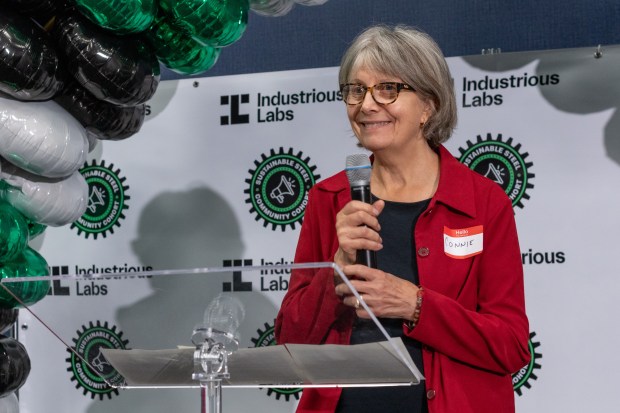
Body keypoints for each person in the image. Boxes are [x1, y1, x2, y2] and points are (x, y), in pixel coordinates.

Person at [275, 24, 530, 413]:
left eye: (388, 89)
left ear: (429, 104)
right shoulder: (329, 199)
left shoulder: (484, 202)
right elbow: (290, 344)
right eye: (356, 90)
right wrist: (336, 270)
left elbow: (510, 346)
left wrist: (415, 305)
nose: (366, 105)